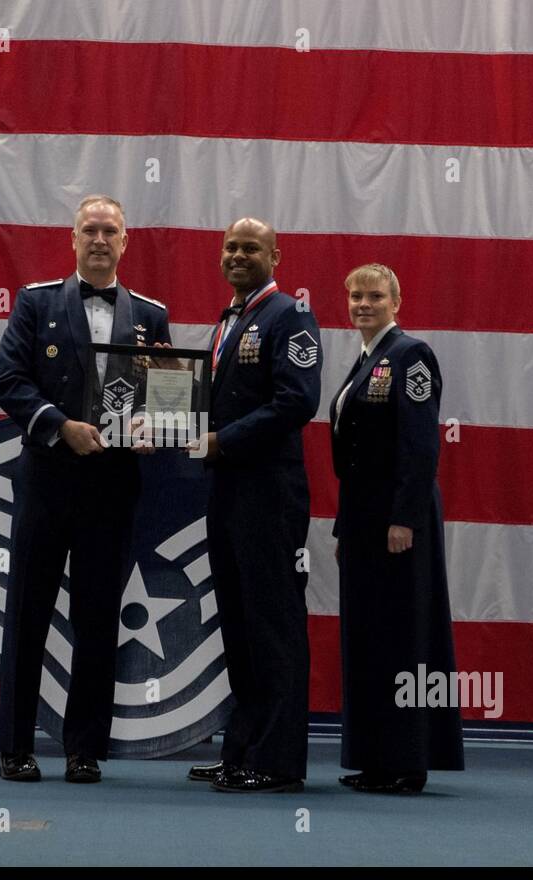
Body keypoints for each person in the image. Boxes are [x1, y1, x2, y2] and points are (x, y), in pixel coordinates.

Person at [0, 195, 171, 783]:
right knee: (28, 615)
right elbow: (9, 381)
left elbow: (167, 396)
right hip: (49, 480)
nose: (99, 240)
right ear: (73, 239)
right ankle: (16, 746)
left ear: (126, 241)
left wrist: (155, 427)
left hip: (113, 487)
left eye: (110, 231)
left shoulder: (152, 314)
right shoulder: (35, 301)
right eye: (89, 230)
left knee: (98, 619)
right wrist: (59, 427)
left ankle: (84, 746)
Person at [186, 218, 321, 793]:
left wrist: (223, 440)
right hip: (229, 489)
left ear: (276, 255)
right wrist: (169, 429)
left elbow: (298, 401)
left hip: (270, 491)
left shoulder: (290, 317)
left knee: (272, 626)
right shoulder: (228, 319)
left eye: (251, 248)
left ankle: (276, 759)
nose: (238, 255)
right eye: (231, 247)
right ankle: (241, 749)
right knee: (238, 627)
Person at [329, 263, 464, 794]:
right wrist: (345, 526)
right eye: (356, 296)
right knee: (369, 637)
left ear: (397, 300)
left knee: (405, 636)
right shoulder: (364, 360)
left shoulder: (410, 356)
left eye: (375, 296)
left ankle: (408, 760)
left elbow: (420, 444)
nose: (363, 304)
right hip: (364, 519)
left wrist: (403, 519)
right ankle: (375, 756)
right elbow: (354, 461)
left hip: (398, 519)